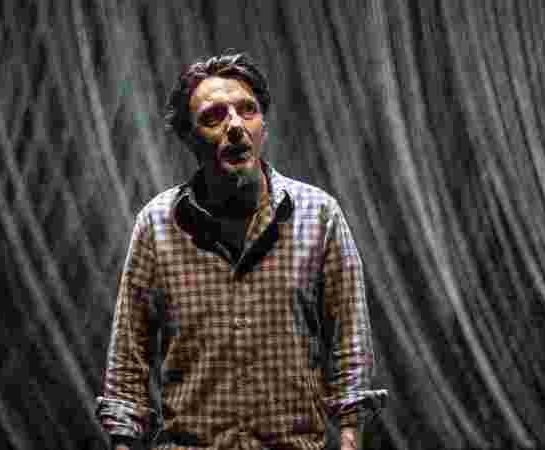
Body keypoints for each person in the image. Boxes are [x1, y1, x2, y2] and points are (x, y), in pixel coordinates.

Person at [96, 51, 387, 450]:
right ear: (188, 137)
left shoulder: (318, 215)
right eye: (214, 116)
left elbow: (349, 341)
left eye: (247, 110)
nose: (235, 126)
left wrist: (351, 437)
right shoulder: (158, 224)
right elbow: (128, 359)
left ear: (263, 125)